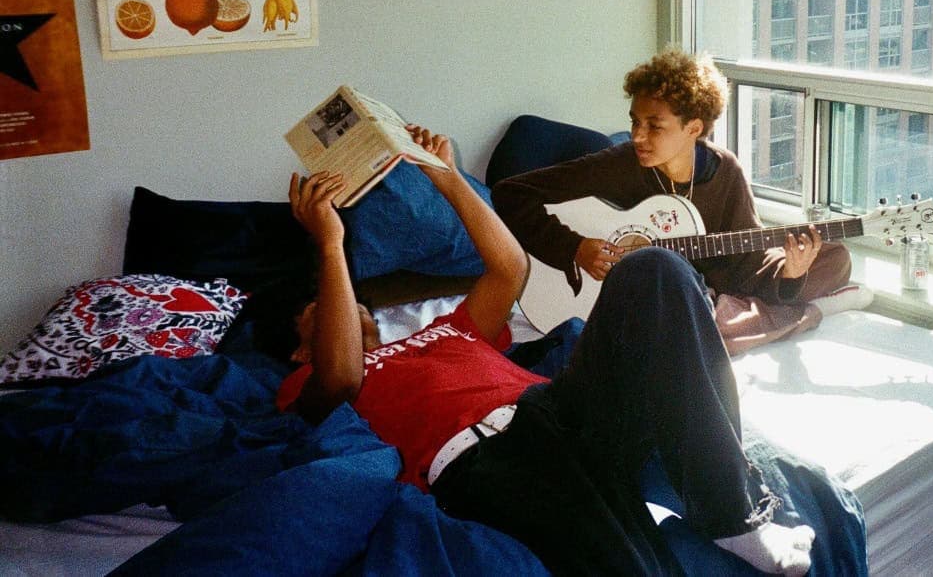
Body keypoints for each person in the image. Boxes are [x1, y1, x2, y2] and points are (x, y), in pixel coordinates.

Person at [278, 124, 816, 576]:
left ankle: (732, 517)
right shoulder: (310, 383)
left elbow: (509, 267)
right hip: (488, 460)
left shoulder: (446, 330)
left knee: (655, 268)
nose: (346, 304)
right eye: (319, 308)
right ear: (302, 351)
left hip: (561, 410)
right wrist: (330, 244)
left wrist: (445, 176)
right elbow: (341, 375)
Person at [492, 49, 855, 355]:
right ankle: (790, 313)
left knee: (835, 257)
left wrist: (791, 273)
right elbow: (511, 192)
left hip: (708, 287)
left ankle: (744, 311)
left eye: (654, 126)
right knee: (689, 329)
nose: (638, 136)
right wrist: (575, 247)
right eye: (635, 122)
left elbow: (748, 261)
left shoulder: (724, 171)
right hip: (654, 296)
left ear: (693, 128)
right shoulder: (620, 164)